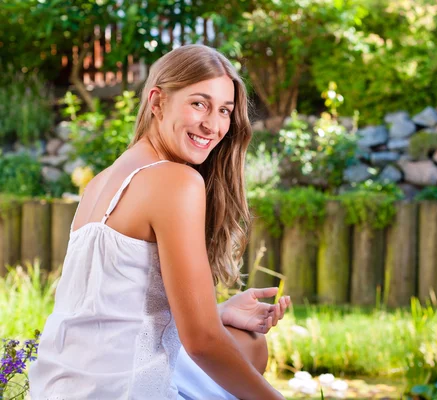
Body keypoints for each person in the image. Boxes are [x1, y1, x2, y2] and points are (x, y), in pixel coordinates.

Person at [28, 44, 290, 399]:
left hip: (58, 387)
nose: (213, 125)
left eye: (224, 110)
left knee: (249, 344)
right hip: (118, 392)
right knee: (237, 355)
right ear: (157, 102)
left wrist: (218, 312)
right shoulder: (176, 181)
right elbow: (202, 343)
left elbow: (109, 310)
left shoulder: (103, 180)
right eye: (199, 103)